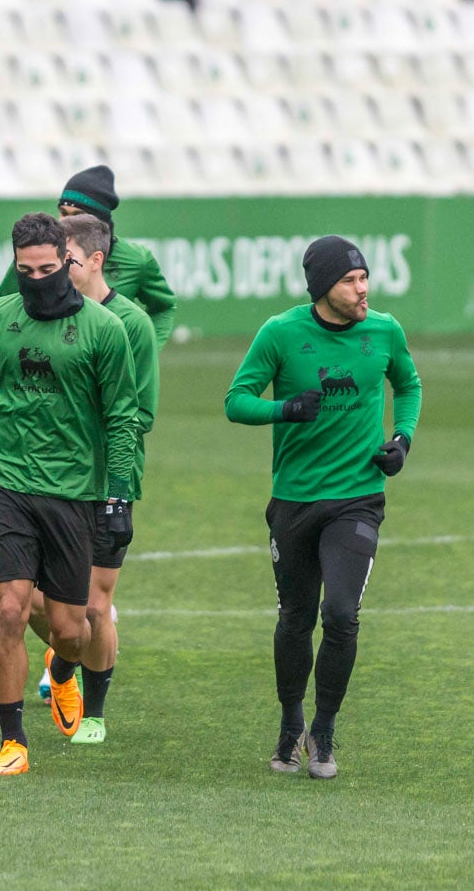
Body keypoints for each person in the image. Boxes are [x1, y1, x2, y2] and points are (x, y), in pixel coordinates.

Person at [0, 212, 136, 775]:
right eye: (24, 270)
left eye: (47, 269)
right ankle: (12, 742)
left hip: (75, 490)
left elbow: (122, 417)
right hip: (7, 480)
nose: (36, 279)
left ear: (68, 263)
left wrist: (118, 498)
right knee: (8, 609)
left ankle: (66, 670)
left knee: (72, 631)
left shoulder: (104, 329)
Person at [225, 236, 420, 779]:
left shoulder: (384, 330)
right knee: (295, 617)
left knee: (340, 615)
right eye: (350, 281)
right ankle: (291, 723)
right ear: (322, 289)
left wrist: (401, 440)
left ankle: (325, 730)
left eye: (364, 279)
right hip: (293, 501)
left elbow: (408, 383)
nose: (363, 289)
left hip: (358, 498)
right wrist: (284, 408)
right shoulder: (281, 334)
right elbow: (235, 401)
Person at [26, 213, 158, 744]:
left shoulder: (132, 325)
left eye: (68, 262)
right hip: (45, 479)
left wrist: (78, 426)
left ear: (95, 261)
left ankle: (95, 713)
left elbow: (140, 414)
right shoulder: (46, 315)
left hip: (106, 481)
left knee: (96, 607)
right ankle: (65, 660)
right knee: (30, 600)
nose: (56, 273)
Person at [0, 165, 176, 350]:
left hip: (109, 365)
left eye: (77, 215)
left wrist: (145, 350)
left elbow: (164, 307)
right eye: (63, 213)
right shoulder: (39, 256)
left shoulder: (137, 260)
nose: (66, 222)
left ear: (100, 220)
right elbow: (0, 310)